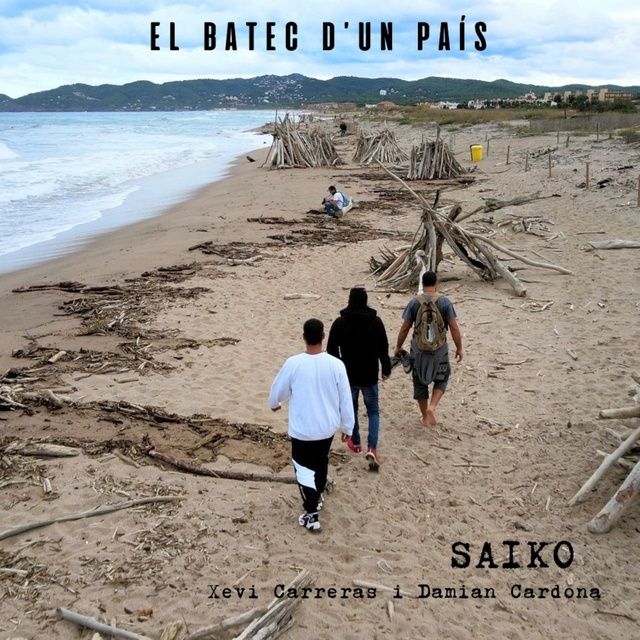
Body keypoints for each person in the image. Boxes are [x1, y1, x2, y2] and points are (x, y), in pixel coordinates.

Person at [269, 318, 354, 532]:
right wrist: (348, 427)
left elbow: (279, 389)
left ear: (304, 337)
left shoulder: (294, 363)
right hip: (326, 427)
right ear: (323, 336)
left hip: (303, 429)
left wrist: (275, 403)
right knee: (321, 461)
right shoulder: (336, 365)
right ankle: (317, 497)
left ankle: (311, 513)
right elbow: (346, 399)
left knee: (303, 469)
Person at [327, 288, 391, 470]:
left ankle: (355, 442)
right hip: (370, 373)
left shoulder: (340, 322)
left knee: (352, 408)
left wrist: (339, 366)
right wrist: (386, 369)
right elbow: (383, 348)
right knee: (373, 411)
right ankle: (372, 447)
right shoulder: (376, 322)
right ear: (366, 301)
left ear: (350, 300)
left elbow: (331, 349)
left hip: (349, 374)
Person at [393, 271, 463, 428]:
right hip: (440, 349)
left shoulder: (414, 302)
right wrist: (459, 348)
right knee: (442, 377)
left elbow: (405, 327)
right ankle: (432, 406)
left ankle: (425, 416)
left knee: (419, 382)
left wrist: (398, 346)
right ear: (436, 283)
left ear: (422, 284)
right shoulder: (444, 302)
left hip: (418, 350)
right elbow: (454, 327)